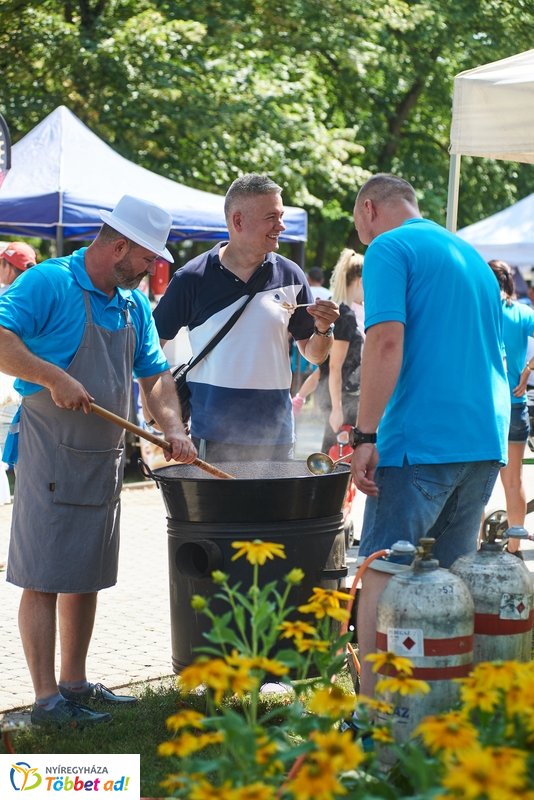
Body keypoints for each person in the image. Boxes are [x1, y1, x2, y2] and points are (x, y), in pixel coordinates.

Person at [0, 194, 197, 728]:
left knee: (84, 570)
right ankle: (46, 703)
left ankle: (75, 683)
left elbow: (155, 376)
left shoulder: (133, 305)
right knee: (43, 575)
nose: (150, 268)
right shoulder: (49, 282)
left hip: (103, 457)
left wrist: (173, 428)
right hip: (50, 451)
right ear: (119, 247)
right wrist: (52, 377)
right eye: (147, 258)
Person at [350, 174, 509, 699]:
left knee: (384, 569)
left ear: (369, 209)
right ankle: (440, 711)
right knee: (448, 582)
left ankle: (373, 711)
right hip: (483, 439)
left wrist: (364, 434)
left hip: (420, 440)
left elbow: (385, 341)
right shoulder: (470, 256)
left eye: (358, 225)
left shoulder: (388, 247)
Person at [153, 173, 339, 462]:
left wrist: (324, 329)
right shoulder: (192, 278)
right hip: (212, 436)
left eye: (281, 216)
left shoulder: (291, 275)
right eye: (272, 217)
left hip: (276, 437)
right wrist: (167, 423)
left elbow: (314, 355)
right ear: (238, 221)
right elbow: (150, 352)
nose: (281, 226)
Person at [292, 249, 364, 452]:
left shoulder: (344, 312)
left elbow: (324, 368)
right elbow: (333, 366)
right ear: (360, 281)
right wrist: (337, 409)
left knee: (337, 460)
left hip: (345, 400)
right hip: (343, 402)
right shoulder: (345, 315)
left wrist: (300, 397)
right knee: (336, 460)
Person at [488, 259, 534, 557]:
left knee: (474, 483)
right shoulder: (522, 312)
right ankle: (514, 548)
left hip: (483, 406)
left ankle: (472, 549)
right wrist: (527, 371)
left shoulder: (480, 311)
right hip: (515, 405)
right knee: (514, 481)